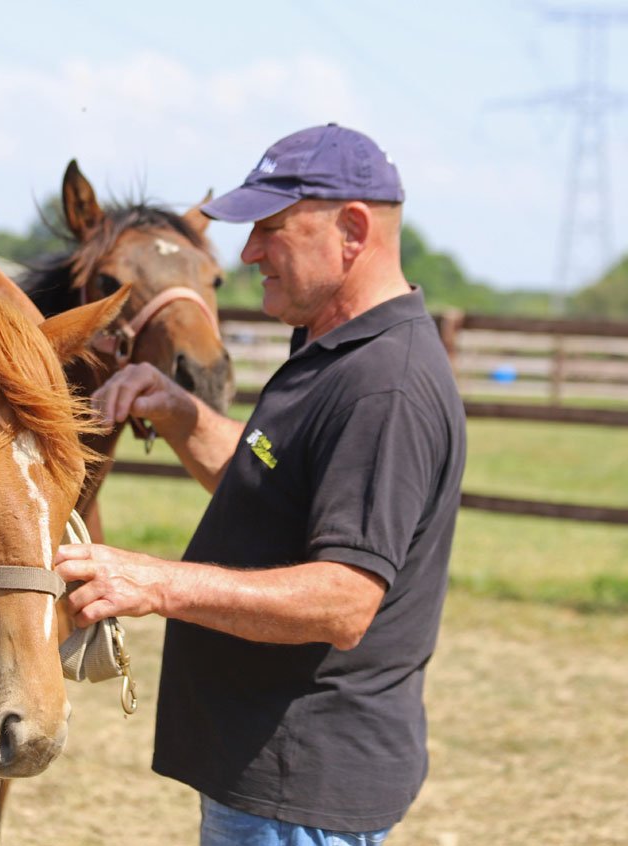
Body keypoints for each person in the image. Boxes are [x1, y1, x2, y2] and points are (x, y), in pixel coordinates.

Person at [55, 124, 466, 846]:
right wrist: (181, 413)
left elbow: (344, 600)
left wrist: (154, 582)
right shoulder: (333, 349)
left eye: (271, 229)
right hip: (270, 774)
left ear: (353, 229)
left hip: (298, 788)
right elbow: (276, 484)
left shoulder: (385, 386)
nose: (247, 253)